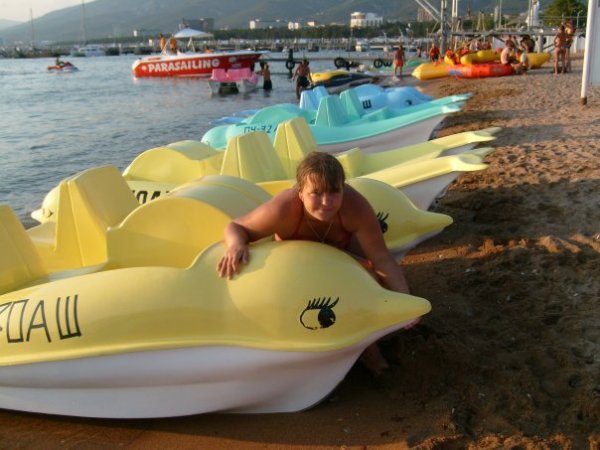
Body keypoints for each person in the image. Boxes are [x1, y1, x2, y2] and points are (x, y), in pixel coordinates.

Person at [217, 152, 410, 375]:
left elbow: (381, 258)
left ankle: (370, 345)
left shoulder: (355, 207)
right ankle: (371, 357)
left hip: (341, 260)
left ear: (343, 188)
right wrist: (236, 244)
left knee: (374, 281)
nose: (326, 202)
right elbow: (236, 227)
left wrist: (405, 301)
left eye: (334, 191)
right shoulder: (284, 209)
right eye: (316, 193)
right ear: (300, 192)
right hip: (299, 272)